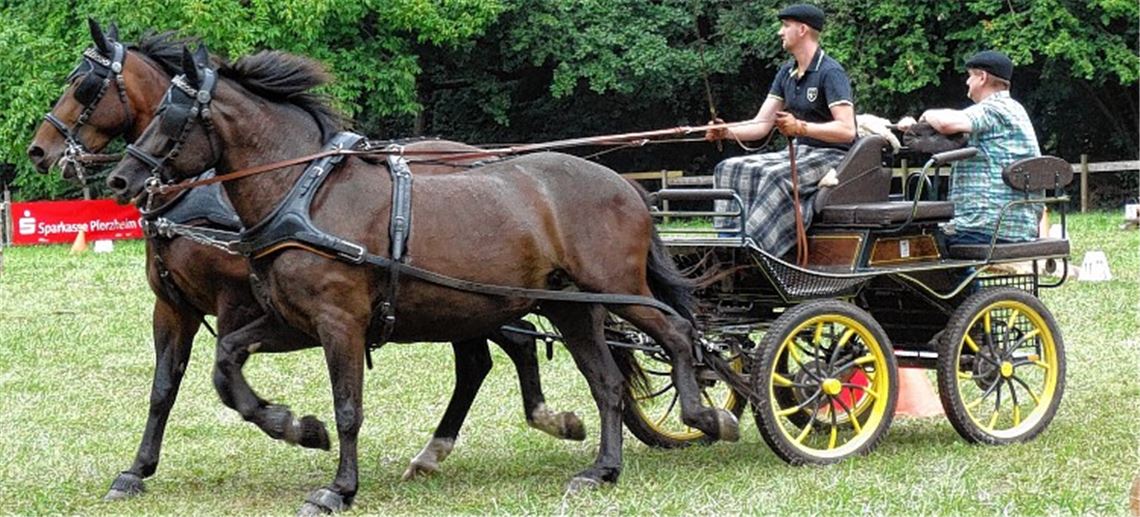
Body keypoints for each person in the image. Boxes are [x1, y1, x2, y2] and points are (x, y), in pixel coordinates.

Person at [706, 3, 856, 257]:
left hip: (834, 156)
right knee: (728, 168)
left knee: (776, 176)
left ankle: (756, 250)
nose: (780, 32)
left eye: (785, 26)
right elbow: (761, 125)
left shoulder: (831, 72)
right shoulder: (786, 72)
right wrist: (727, 132)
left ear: (802, 30)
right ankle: (727, 244)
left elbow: (847, 130)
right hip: (800, 150)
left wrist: (800, 127)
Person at [896, 50, 1043, 246]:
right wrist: (917, 127)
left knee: (917, 244)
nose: (967, 82)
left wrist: (926, 114)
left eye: (970, 76)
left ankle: (967, 277)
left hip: (985, 226)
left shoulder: (995, 108)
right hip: (1017, 224)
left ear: (982, 77)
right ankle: (970, 278)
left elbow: (949, 123)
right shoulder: (1015, 110)